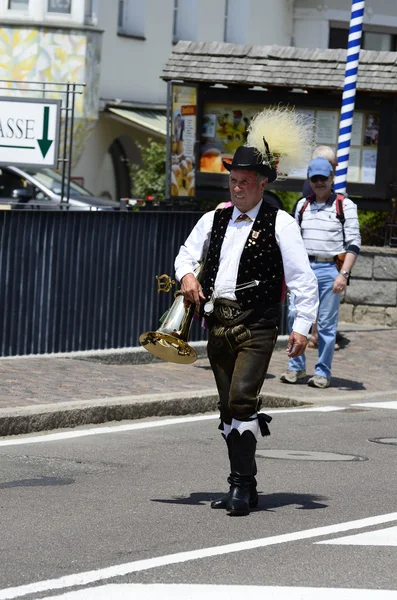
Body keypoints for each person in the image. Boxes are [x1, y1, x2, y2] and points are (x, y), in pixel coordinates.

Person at [174, 107, 318, 516]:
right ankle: (246, 484)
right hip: (217, 323)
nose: (236, 188)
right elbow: (184, 254)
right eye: (233, 181)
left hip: (258, 323)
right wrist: (186, 276)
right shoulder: (215, 218)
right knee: (227, 408)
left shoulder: (281, 223)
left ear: (262, 183)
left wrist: (301, 327)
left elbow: (303, 279)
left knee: (241, 399)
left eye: (244, 182)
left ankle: (240, 486)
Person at [280, 157, 361, 389]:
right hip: (304, 269)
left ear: (331, 178)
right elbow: (292, 241)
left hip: (329, 269)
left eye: (323, 178)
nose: (319, 183)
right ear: (309, 180)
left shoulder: (345, 205)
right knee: (294, 316)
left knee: (326, 325)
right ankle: (296, 368)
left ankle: (322, 372)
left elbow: (354, 242)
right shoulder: (302, 205)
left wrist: (343, 274)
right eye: (314, 178)